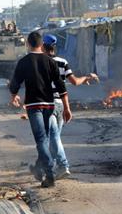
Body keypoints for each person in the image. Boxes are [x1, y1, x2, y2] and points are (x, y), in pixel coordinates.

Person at [30, 34, 98, 180]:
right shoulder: (62, 62)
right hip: (60, 105)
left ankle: (62, 165)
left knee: (52, 138)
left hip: (47, 105)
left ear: (42, 46)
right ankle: (44, 167)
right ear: (55, 47)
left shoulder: (38, 62)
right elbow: (74, 81)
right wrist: (86, 77)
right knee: (53, 138)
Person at [9, 31, 72, 188]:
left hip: (34, 106)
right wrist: (67, 108)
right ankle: (40, 168)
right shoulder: (50, 61)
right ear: (41, 44)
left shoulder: (23, 61)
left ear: (28, 44)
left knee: (41, 139)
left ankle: (49, 175)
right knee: (45, 138)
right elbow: (61, 87)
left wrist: (14, 95)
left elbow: (15, 82)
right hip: (49, 105)